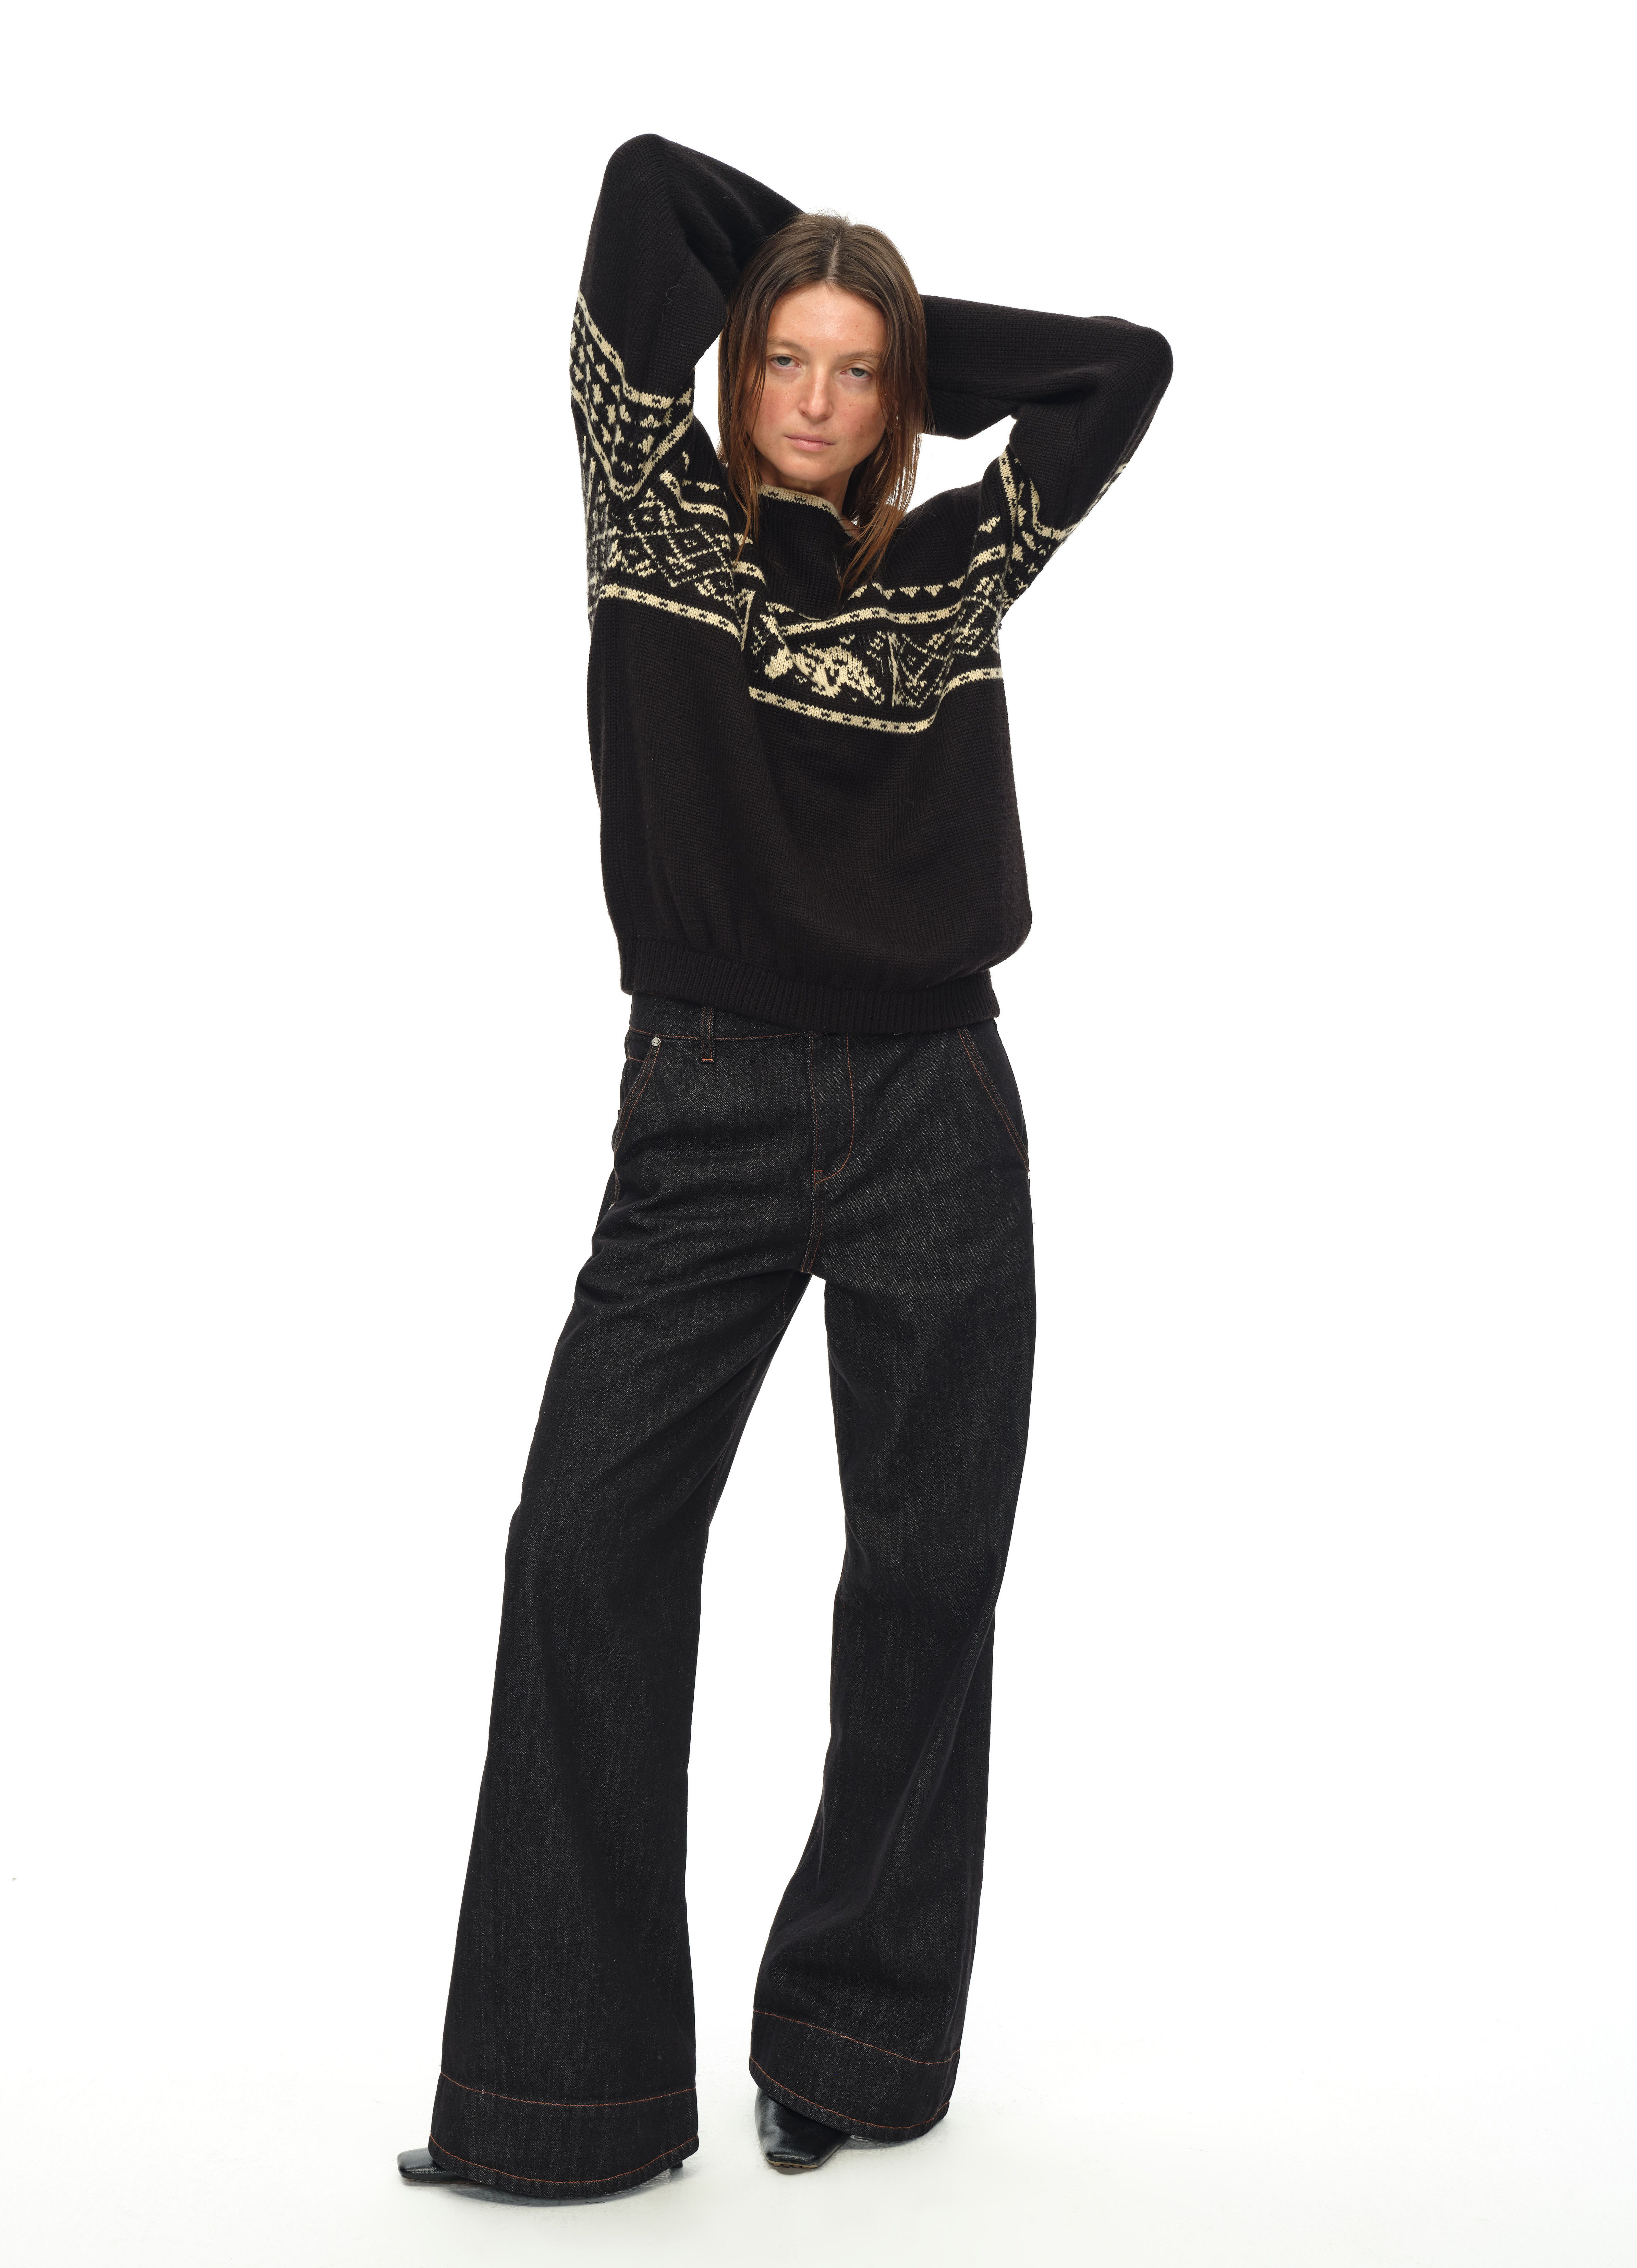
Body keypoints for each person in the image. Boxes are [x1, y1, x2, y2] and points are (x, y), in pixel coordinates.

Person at [397, 133, 1171, 2202]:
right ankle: (564, 2097)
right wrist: (812, 280)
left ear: (897, 395)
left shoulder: (955, 565)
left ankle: (855, 2043)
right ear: (733, 366)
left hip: (937, 1108)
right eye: (786, 359)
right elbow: (646, 189)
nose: (817, 400)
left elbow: (1123, 369)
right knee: (585, 1549)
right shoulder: (651, 507)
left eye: (859, 371)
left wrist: (906, 331)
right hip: (709, 1106)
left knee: (925, 1572)